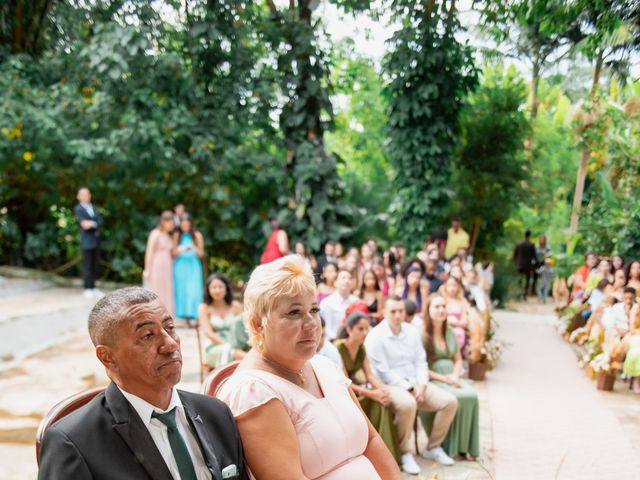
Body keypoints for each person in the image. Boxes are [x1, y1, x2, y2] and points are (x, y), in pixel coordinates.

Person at [218, 255, 402, 479]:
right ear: (259, 323)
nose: (311, 324)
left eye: (314, 310)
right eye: (294, 312)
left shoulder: (323, 365)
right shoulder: (253, 392)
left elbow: (371, 440)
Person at [38, 287, 247, 480]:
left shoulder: (216, 414)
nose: (171, 344)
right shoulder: (74, 442)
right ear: (107, 357)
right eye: (147, 336)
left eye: (170, 328)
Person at [365, 296, 458, 474]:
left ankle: (432, 448)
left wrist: (421, 386)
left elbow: (420, 362)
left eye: (401, 311)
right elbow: (383, 371)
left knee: (449, 401)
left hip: (416, 384)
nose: (398, 315)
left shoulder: (412, 331)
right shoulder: (375, 336)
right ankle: (404, 452)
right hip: (389, 385)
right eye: (393, 311)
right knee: (408, 404)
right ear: (384, 313)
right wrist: (409, 388)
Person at [420, 295, 480, 461]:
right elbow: (421, 367)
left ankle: (464, 447)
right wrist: (445, 379)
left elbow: (458, 359)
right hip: (433, 377)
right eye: (436, 307)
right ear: (428, 310)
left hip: (452, 375)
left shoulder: (450, 332)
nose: (441, 310)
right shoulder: (422, 334)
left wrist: (455, 374)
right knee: (456, 398)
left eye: (443, 306)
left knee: (471, 396)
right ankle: (446, 446)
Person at [336, 311, 401, 464]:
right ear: (349, 329)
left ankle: (386, 455)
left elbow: (370, 375)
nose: (365, 332)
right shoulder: (339, 348)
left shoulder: (362, 348)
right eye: (360, 329)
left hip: (360, 389)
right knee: (376, 402)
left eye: (367, 329)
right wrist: (374, 394)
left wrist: (383, 390)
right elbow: (345, 383)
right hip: (346, 394)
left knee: (382, 401)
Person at [198, 274, 247, 368]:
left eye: (220, 287)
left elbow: (245, 326)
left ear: (226, 288)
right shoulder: (204, 308)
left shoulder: (235, 306)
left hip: (236, 343)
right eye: (214, 287)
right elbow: (208, 332)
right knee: (238, 354)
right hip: (214, 345)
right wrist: (227, 345)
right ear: (208, 290)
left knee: (239, 353)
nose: (217, 290)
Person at [173, 213, 204, 326]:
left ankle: (194, 316)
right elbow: (173, 252)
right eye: (183, 224)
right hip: (180, 266)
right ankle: (183, 316)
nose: (185, 226)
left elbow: (201, 254)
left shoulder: (197, 235)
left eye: (187, 223)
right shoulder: (177, 235)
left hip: (193, 266)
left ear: (190, 224)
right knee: (182, 290)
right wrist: (181, 249)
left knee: (193, 290)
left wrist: (194, 248)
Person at [144, 211, 176, 316]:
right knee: (156, 288)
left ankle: (165, 315)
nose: (172, 226)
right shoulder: (155, 233)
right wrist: (147, 269)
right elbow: (149, 252)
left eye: (173, 224)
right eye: (170, 223)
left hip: (168, 265)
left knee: (167, 289)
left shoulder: (169, 235)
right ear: (163, 222)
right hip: (157, 265)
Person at [74, 187, 104, 299]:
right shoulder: (79, 209)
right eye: (83, 194)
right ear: (79, 196)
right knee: (87, 265)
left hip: (96, 240)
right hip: (86, 241)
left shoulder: (93, 207)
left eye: (87, 194)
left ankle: (93, 287)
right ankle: (87, 287)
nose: (86, 196)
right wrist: (94, 223)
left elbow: (100, 222)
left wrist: (93, 223)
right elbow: (84, 225)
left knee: (95, 264)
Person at [319, 269, 359, 340]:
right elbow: (326, 328)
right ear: (335, 282)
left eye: (349, 278)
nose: (346, 281)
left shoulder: (356, 301)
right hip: (333, 340)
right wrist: (338, 340)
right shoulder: (327, 303)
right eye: (343, 278)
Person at [512, 229, 537, 299]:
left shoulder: (519, 244)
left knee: (519, 278)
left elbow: (514, 255)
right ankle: (525, 294)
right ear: (530, 235)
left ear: (524, 235)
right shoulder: (531, 245)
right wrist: (536, 264)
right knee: (527, 280)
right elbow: (534, 256)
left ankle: (519, 292)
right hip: (528, 266)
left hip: (519, 264)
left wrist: (515, 263)